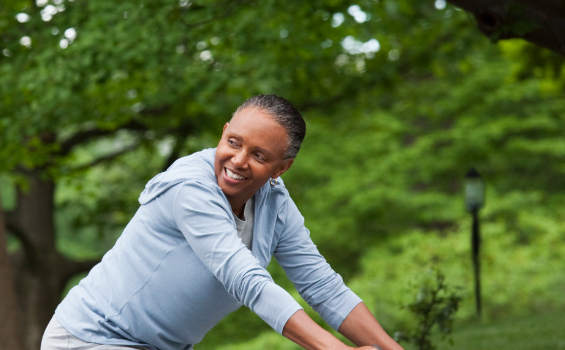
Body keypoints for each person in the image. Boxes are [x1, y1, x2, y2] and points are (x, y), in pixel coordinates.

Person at [44, 95, 402, 350]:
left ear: (282, 168)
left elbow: (323, 287)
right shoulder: (190, 188)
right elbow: (246, 279)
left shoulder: (275, 204)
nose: (239, 160)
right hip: (92, 338)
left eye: (259, 155)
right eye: (233, 142)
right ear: (224, 132)